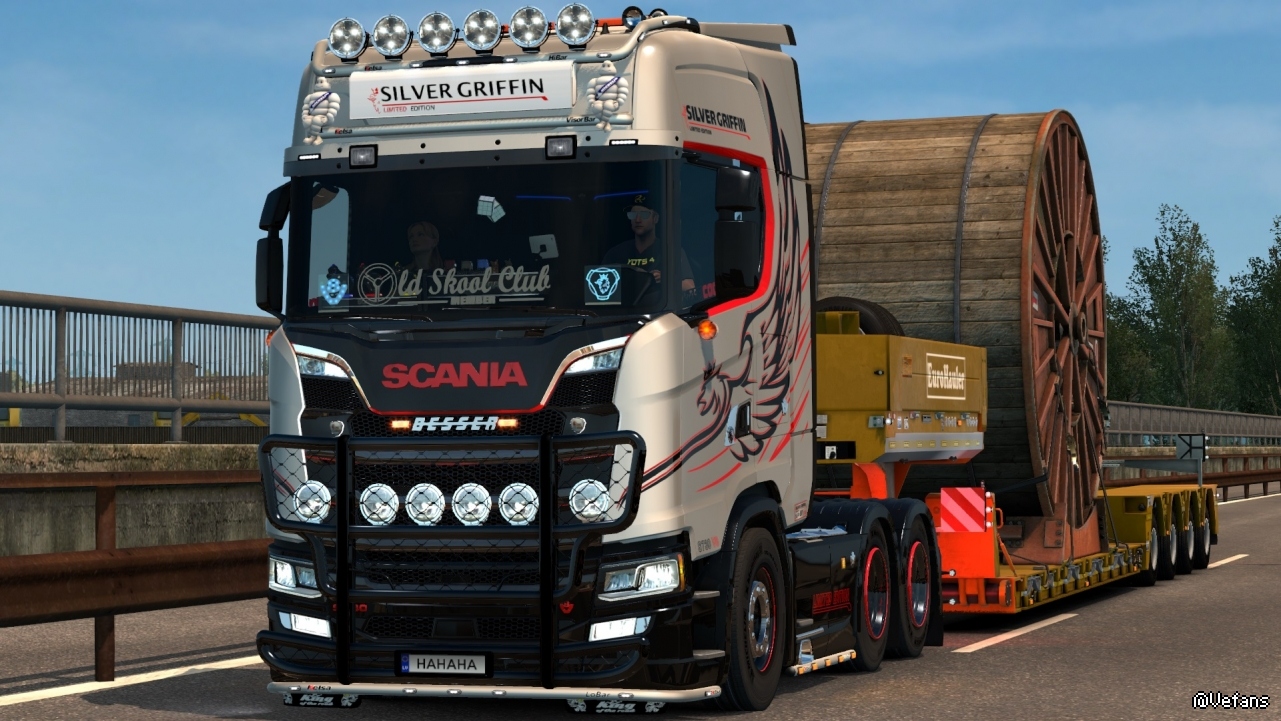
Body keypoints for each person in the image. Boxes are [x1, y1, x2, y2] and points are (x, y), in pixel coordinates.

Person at [601, 201, 695, 293]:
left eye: (644, 214)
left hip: (660, 303)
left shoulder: (670, 251)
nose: (637, 220)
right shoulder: (616, 253)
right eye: (633, 215)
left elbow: (690, 287)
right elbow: (599, 286)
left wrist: (666, 279)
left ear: (655, 219)